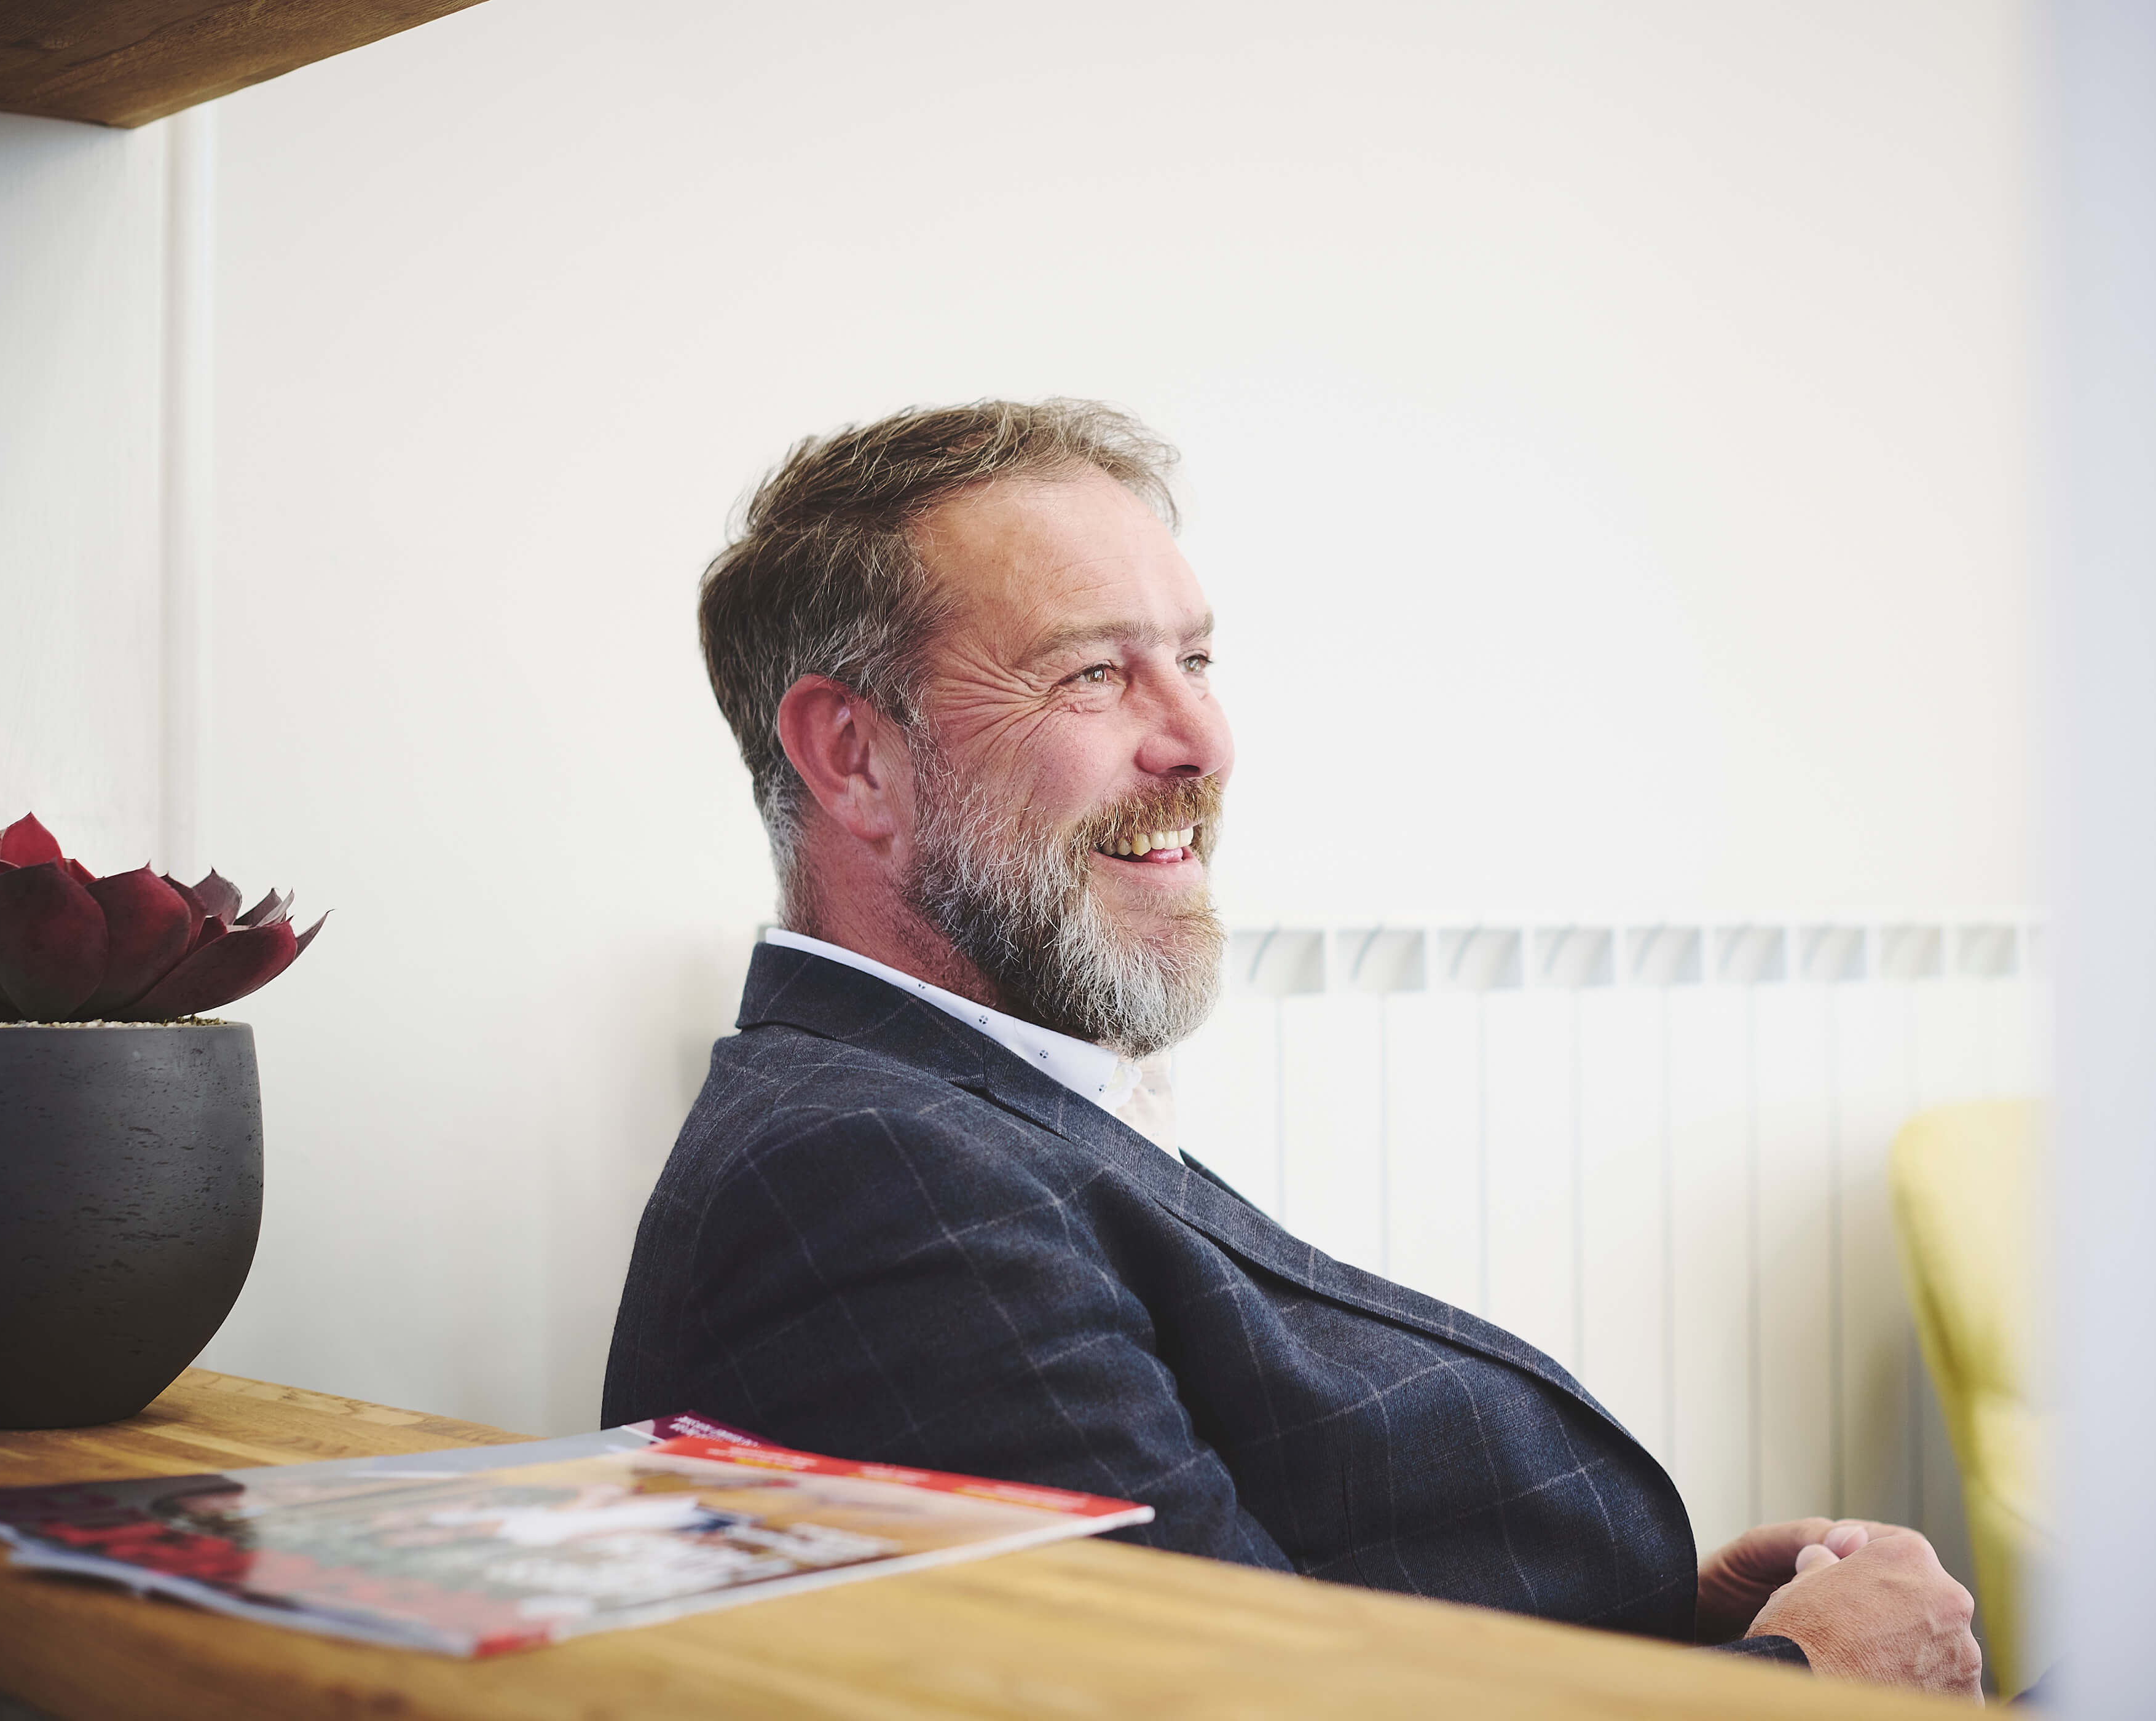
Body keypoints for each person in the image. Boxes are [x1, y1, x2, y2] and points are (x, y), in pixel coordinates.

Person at [603, 400, 1981, 1697]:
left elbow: (1265, 1592)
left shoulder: (960, 1113)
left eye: (1194, 660)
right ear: (853, 756)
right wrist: (1799, 1686)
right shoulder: (870, 1180)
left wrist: (1651, 1618)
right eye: (1094, 672)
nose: (1203, 737)